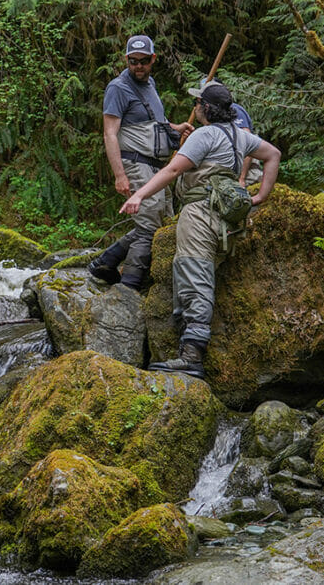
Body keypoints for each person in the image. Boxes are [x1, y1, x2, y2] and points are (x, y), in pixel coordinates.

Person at [120, 80, 281, 378]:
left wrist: (139, 195)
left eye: (197, 104)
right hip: (226, 220)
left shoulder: (205, 135)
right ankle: (186, 348)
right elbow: (274, 155)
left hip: (201, 215)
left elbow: (172, 170)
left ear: (205, 109)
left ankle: (192, 355)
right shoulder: (239, 135)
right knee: (196, 274)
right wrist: (259, 197)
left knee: (195, 276)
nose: (195, 108)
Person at [88, 35, 194, 290]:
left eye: (144, 61)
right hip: (136, 164)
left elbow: (155, 122)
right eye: (133, 61)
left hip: (157, 167)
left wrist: (175, 127)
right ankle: (130, 287)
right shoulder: (118, 88)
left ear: (153, 59)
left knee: (161, 222)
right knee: (148, 227)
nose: (138, 66)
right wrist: (120, 175)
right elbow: (110, 133)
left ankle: (105, 262)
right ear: (126, 59)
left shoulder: (151, 84)